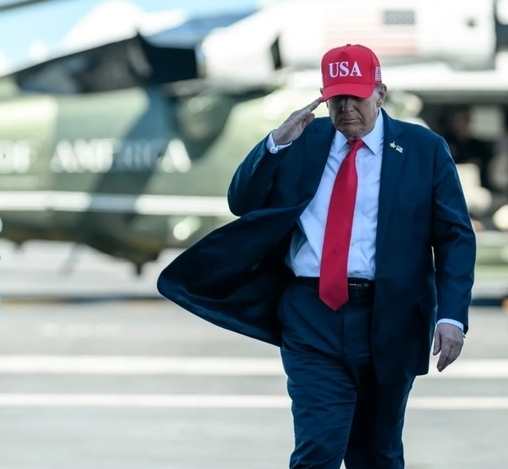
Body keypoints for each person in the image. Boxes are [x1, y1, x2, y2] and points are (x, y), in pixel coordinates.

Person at [157, 43, 475, 468]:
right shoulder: (304, 140)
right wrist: (275, 144)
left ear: (380, 93)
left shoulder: (423, 148)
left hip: (391, 315)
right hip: (312, 315)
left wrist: (452, 316)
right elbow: (241, 201)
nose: (346, 109)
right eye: (336, 99)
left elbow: (455, 237)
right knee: (318, 450)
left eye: (356, 97)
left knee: (376, 454)